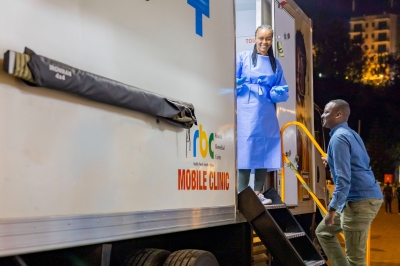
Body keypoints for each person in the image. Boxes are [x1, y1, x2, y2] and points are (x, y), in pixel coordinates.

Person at [315, 99, 383, 266]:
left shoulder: (338, 138)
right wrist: (331, 161)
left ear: (338, 115)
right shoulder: (351, 134)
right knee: (323, 232)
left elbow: (344, 180)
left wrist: (331, 210)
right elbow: (360, 162)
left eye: (326, 112)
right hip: (356, 199)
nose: (322, 115)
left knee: (356, 260)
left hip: (358, 201)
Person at [236, 24, 289, 204]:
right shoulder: (242, 58)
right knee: (245, 148)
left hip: (266, 110)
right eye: (261, 38)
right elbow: (229, 82)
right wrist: (236, 82)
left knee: (263, 150)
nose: (264, 42)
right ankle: (242, 193)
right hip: (246, 108)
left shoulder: (275, 64)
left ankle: (257, 193)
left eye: (268, 39)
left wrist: (277, 92)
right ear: (255, 38)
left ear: (271, 40)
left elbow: (281, 87)